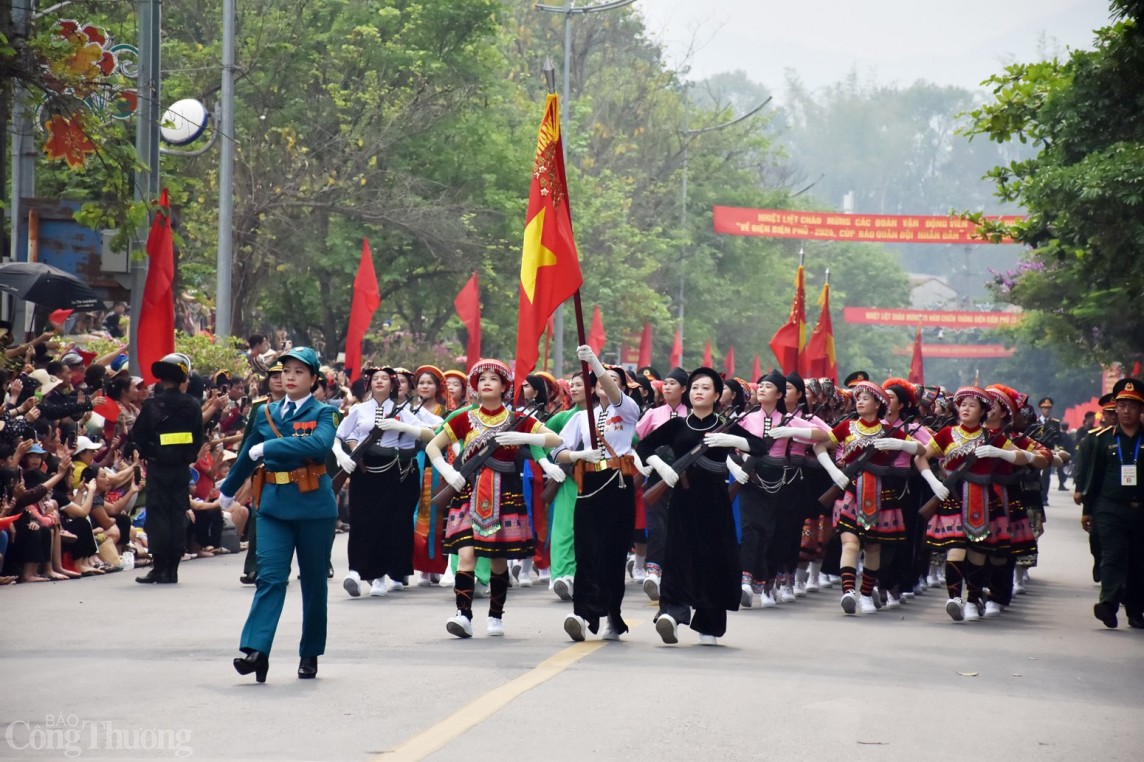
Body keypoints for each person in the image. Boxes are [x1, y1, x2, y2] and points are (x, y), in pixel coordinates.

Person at [220, 347, 339, 681]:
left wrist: (269, 447)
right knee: (269, 578)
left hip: (314, 507)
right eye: (286, 370)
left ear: (314, 379)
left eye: (299, 372)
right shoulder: (265, 412)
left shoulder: (325, 413)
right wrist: (227, 491)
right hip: (272, 505)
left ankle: (310, 652)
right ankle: (256, 650)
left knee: (314, 583)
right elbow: (246, 454)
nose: (289, 376)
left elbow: (318, 446)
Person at [424, 359, 562, 639]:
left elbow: (555, 440)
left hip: (505, 495)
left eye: (494, 379)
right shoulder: (463, 417)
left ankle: (496, 616)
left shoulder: (518, 420)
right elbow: (432, 446)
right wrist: (449, 473)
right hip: (467, 494)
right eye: (482, 378)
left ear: (504, 386)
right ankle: (463, 614)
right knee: (466, 556)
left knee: (498, 561)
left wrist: (525, 437)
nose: (487, 382)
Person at [635, 367, 770, 646]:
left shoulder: (726, 424)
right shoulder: (677, 426)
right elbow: (644, 447)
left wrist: (731, 440)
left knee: (713, 561)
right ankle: (672, 614)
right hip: (683, 502)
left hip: (715, 504)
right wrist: (661, 466)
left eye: (705, 388)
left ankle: (708, 624)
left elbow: (760, 447)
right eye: (695, 387)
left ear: (717, 395)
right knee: (678, 555)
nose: (698, 392)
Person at [914, 386, 1033, 622]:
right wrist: (932, 481)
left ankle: (973, 600)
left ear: (983, 411)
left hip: (984, 499)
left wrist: (1003, 453)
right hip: (954, 495)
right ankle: (955, 598)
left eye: (972, 405)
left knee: (979, 553)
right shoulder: (947, 434)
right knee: (955, 548)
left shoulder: (994, 437)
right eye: (963, 404)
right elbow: (921, 457)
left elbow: (1021, 456)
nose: (966, 409)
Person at [555, 346, 640, 641]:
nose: (608, 385)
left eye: (616, 380)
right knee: (586, 551)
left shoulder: (627, 409)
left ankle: (612, 616)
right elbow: (559, 449)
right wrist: (578, 454)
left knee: (613, 553)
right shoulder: (580, 418)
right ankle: (583, 614)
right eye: (603, 380)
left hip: (618, 483)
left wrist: (595, 364)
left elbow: (614, 394)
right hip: (589, 484)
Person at [334, 365, 440, 597]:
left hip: (392, 471)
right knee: (361, 520)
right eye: (375, 378)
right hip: (363, 470)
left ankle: (379, 576)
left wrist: (402, 426)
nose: (379, 382)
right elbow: (339, 435)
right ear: (369, 384)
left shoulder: (402, 410)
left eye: (385, 378)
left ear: (393, 384)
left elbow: (432, 433)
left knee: (386, 523)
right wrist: (342, 456)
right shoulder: (359, 409)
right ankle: (355, 571)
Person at [1074, 378, 1144, 630]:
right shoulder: (1102, 440)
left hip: (1140, 509)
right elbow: (1094, 476)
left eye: (1132, 406)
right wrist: (1087, 510)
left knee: (1138, 561)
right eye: (1122, 405)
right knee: (1112, 555)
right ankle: (1108, 604)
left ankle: (1136, 610)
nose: (1126, 411)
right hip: (1109, 507)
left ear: (1140, 410)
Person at [130, 353, 204, 585]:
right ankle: (172, 570)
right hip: (181, 470)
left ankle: (160, 568)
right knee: (176, 514)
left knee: (159, 516)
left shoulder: (152, 405)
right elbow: (197, 439)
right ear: (182, 378)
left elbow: (137, 437)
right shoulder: (192, 405)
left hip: (158, 469)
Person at [634, 366, 689, 600]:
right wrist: (641, 463)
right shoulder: (653, 414)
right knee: (657, 524)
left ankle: (677, 571)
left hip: (686, 477)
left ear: (683, 388)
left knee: (681, 524)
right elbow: (636, 439)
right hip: (658, 474)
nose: (666, 387)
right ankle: (653, 570)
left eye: (672, 383)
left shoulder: (693, 413)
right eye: (664, 383)